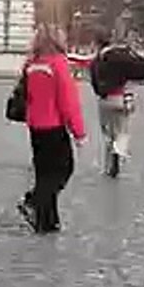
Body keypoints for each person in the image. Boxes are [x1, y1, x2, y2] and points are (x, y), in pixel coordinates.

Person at [16, 25, 86, 233]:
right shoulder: (58, 64)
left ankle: (47, 221)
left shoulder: (31, 64)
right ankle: (34, 202)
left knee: (43, 172)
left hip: (35, 126)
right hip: (54, 125)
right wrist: (79, 132)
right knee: (63, 169)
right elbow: (68, 101)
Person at [88, 30, 144, 178]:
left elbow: (93, 80)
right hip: (124, 97)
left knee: (107, 133)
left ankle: (109, 163)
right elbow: (142, 69)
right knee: (122, 131)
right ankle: (118, 153)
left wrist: (101, 91)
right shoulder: (123, 56)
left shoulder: (98, 60)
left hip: (106, 99)